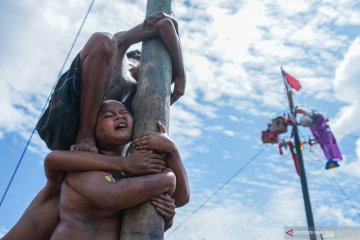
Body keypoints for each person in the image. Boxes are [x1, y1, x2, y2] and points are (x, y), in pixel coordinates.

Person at [2, 100, 189, 240]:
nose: (118, 116)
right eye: (107, 116)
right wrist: (167, 179)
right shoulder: (84, 165)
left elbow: (180, 199)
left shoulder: (131, 173)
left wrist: (171, 149)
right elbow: (111, 195)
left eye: (124, 111)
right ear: (93, 130)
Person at [36, 11, 186, 153]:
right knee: (104, 40)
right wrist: (181, 75)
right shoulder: (118, 49)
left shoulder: (143, 89)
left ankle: (96, 142)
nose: (147, 71)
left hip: (104, 142)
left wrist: (178, 73)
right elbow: (163, 25)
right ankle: (85, 134)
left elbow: (167, 24)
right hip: (65, 121)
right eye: (144, 64)